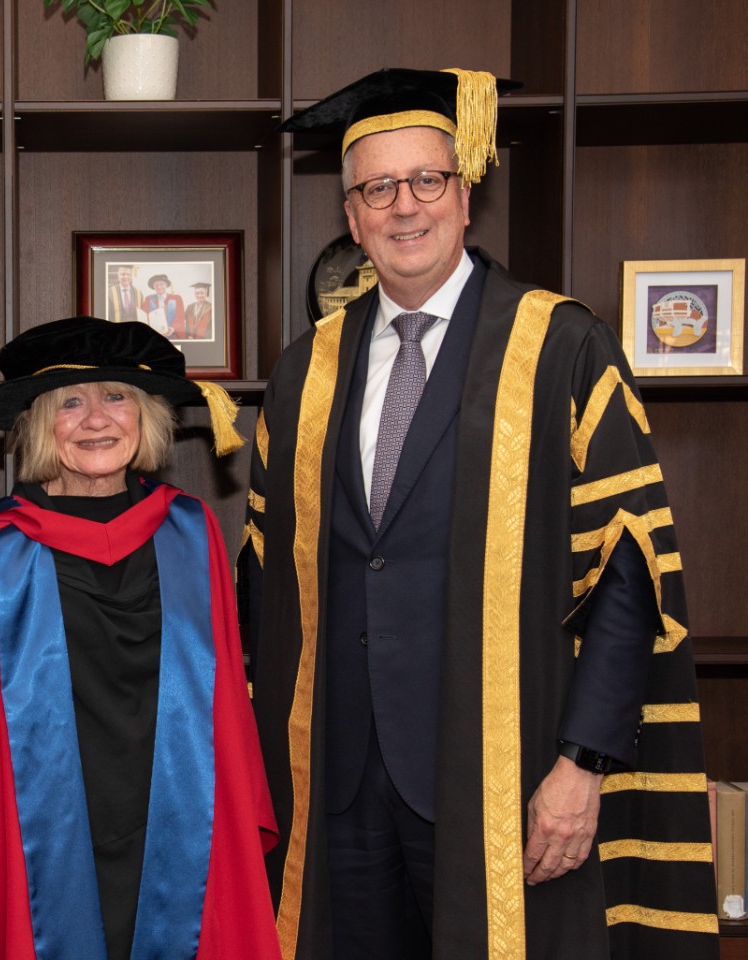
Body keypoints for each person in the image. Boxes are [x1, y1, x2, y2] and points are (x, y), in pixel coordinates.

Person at [240, 69, 718, 960]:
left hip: (504, 768)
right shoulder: (304, 371)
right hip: (336, 780)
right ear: (351, 216)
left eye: (427, 180)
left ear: (466, 198)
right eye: (377, 188)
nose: (404, 207)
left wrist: (582, 767)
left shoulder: (561, 345)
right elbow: (265, 584)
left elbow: (627, 574)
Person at [0, 316, 281, 959]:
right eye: (71, 403)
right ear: (36, 424)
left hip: (178, 825)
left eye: (117, 397)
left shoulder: (190, 534)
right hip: (35, 843)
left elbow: (226, 701)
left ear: (146, 417)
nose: (97, 420)